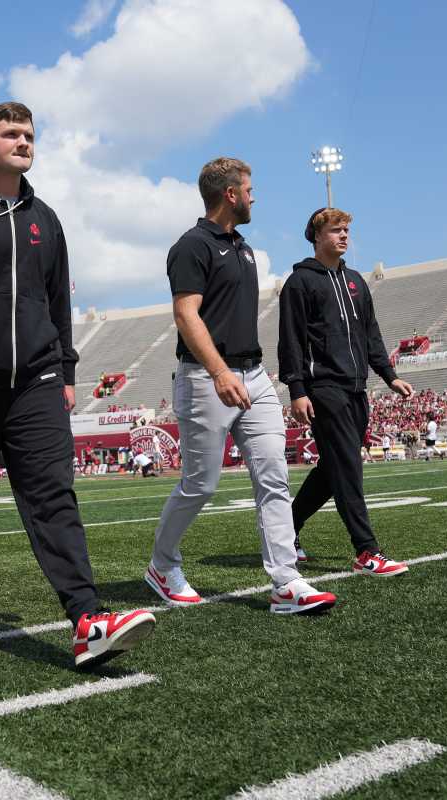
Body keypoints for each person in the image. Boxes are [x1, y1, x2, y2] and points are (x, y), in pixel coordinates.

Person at [0, 101, 154, 667]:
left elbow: (57, 301)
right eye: (11, 134)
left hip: (39, 379)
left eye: (29, 135)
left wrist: (66, 371)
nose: (23, 142)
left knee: (53, 494)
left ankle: (88, 617)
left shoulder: (46, 217)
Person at [147, 157, 333, 613]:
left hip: (254, 376)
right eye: (249, 189)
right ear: (230, 194)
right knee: (200, 484)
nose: (255, 196)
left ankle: (286, 582)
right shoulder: (191, 246)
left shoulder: (245, 248)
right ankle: (161, 564)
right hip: (206, 377)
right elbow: (186, 314)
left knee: (274, 477)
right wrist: (219, 373)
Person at [279, 207, 412, 576]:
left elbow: (372, 333)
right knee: (349, 468)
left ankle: (285, 529)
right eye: (336, 230)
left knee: (334, 467)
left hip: (357, 388)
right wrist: (297, 390)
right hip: (323, 388)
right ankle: (366, 551)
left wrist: (389, 375)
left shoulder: (356, 281)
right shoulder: (299, 283)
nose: (344, 236)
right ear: (317, 236)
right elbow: (290, 340)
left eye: (347, 230)